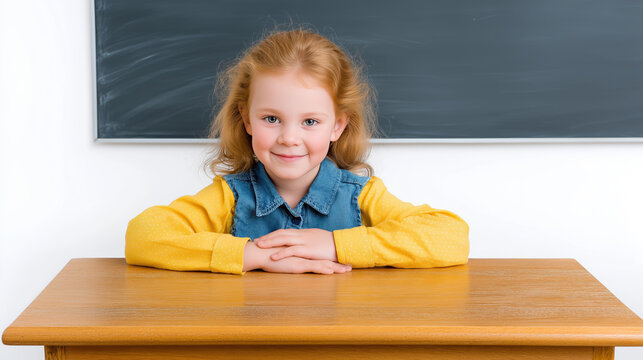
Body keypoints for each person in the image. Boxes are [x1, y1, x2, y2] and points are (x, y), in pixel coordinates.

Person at [125, 26, 469, 275]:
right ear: (246, 119)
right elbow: (143, 236)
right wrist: (254, 254)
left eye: (310, 122)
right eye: (271, 118)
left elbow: (451, 236)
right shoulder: (228, 197)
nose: (289, 138)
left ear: (337, 126)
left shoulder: (361, 196)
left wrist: (334, 244)